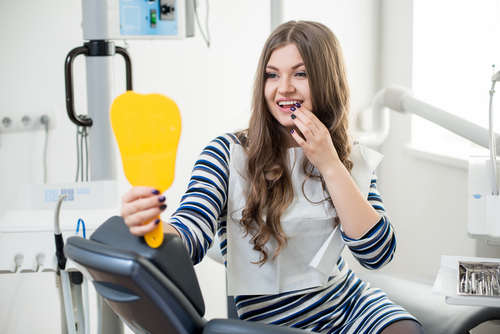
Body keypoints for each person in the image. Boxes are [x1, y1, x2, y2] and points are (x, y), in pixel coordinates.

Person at [120, 21, 425, 334]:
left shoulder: (348, 156)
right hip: (274, 327)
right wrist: (153, 227)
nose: (284, 87)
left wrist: (331, 166)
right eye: (272, 74)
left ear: (326, 81)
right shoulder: (226, 154)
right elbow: (191, 234)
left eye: (301, 73)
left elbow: (377, 253)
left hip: (352, 308)